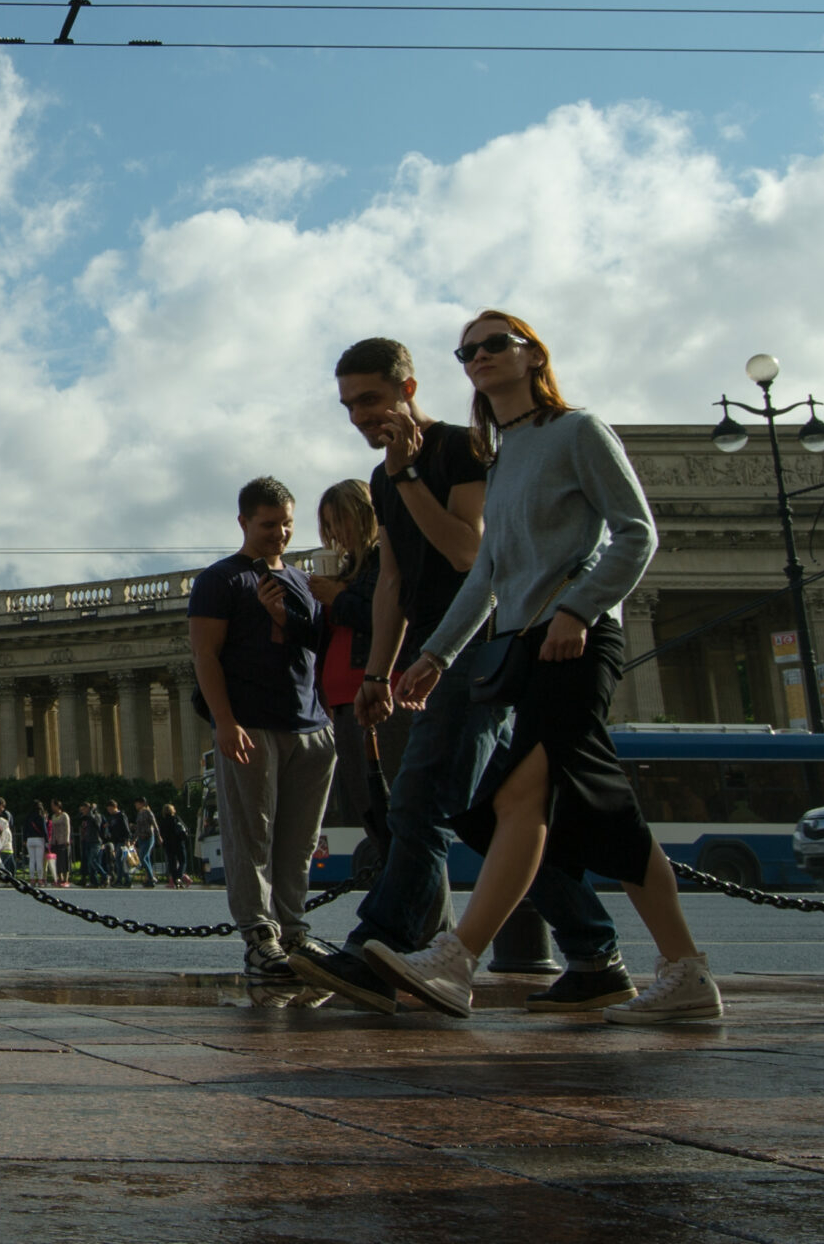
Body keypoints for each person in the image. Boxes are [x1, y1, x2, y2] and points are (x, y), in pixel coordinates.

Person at [365, 312, 719, 1024]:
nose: (480, 356)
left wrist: (581, 608)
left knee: (519, 798)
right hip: (528, 645)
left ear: (532, 355)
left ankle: (455, 959)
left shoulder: (577, 431)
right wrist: (437, 653)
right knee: (602, 818)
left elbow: (637, 533)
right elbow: (488, 572)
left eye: (497, 343)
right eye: (468, 350)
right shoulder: (503, 454)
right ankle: (684, 970)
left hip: (577, 642)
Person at [292, 338, 635, 1015]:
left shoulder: (461, 451)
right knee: (482, 815)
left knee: (422, 792)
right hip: (426, 650)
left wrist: (412, 474)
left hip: (483, 641)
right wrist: (377, 673)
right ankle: (595, 952)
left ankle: (376, 947)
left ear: (409, 390)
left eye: (370, 399)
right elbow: (391, 581)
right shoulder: (386, 479)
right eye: (348, 405)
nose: (359, 415)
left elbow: (468, 552)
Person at [188, 477, 333, 978]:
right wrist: (225, 723)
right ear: (244, 522)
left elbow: (317, 651)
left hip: (310, 726)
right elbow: (205, 656)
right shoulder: (220, 580)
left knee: (298, 841)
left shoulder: (302, 582)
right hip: (250, 724)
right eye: (270, 524)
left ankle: (294, 930)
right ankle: (258, 936)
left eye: (288, 523)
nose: (281, 534)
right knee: (252, 835)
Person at [310, 480, 384, 833]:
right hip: (340, 702)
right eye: (329, 524)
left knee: (382, 804)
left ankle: (406, 886)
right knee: (366, 807)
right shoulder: (350, 567)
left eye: (342, 520)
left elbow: (381, 618)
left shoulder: (383, 560)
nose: (337, 532)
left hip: (370, 695)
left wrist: (337, 596)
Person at [157, 803, 193, 886]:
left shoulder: (163, 821)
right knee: (183, 861)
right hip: (178, 843)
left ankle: (175, 880)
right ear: (173, 810)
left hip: (168, 845)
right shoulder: (176, 819)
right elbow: (183, 830)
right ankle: (179, 877)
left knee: (172, 863)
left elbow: (161, 833)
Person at [101, 799, 132, 886]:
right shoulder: (112, 817)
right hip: (116, 841)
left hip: (122, 840)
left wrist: (127, 839)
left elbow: (126, 828)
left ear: (115, 807)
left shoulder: (121, 815)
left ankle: (121, 879)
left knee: (120, 860)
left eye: (110, 809)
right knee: (120, 861)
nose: (109, 811)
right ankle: (126, 879)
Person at [128, 798, 158, 887]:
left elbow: (154, 824)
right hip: (141, 837)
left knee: (142, 857)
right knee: (147, 858)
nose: (136, 806)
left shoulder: (148, 812)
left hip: (148, 836)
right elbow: (138, 828)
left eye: (137, 804)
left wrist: (158, 835)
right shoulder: (140, 813)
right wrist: (134, 839)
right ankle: (149, 877)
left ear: (142, 803)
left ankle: (151, 877)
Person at [46, 801, 72, 886]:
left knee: (65, 860)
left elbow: (67, 828)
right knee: (58, 861)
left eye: (53, 806)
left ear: (58, 806)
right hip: (55, 841)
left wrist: (67, 839)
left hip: (63, 840)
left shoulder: (64, 815)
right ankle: (59, 878)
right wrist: (51, 841)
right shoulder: (53, 816)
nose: (52, 808)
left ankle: (66, 879)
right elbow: (52, 829)